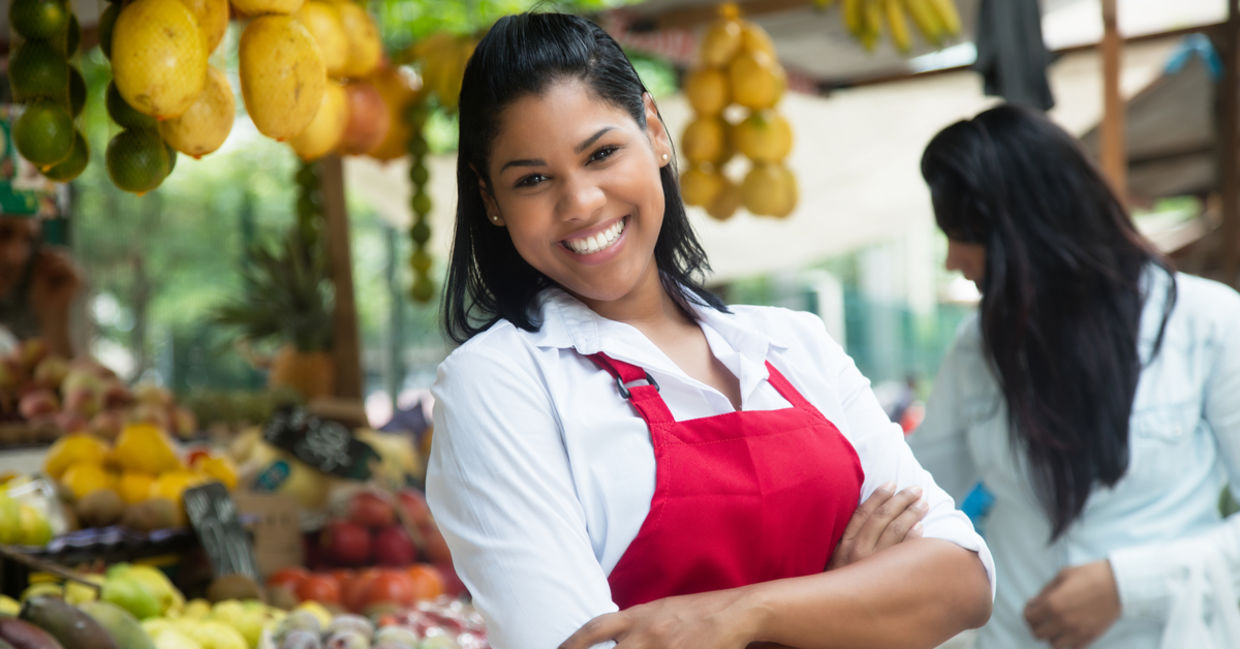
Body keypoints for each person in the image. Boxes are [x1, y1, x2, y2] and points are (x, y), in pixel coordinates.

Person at [425, 12, 993, 649]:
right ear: (491, 199)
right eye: (532, 179)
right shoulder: (497, 383)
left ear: (656, 131)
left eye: (602, 153)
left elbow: (964, 580)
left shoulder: (794, 342)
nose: (580, 202)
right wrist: (848, 604)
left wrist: (745, 615)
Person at [909, 104, 1240, 649]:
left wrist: (1129, 586)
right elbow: (913, 493)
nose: (952, 260)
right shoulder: (975, 350)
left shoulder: (1206, 323)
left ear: (1028, 233)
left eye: (962, 234)